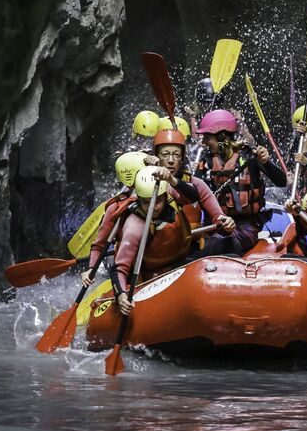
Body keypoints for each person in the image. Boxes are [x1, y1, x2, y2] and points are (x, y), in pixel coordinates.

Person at [194, 109, 287, 254]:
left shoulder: (250, 156)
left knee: (223, 243)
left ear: (221, 137)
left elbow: (282, 181)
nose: (204, 142)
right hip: (217, 224)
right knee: (215, 241)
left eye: (207, 138)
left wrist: (267, 162)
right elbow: (194, 194)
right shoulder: (206, 161)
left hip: (246, 224)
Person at [112, 166, 194, 315]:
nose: (153, 208)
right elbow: (119, 269)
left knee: (226, 245)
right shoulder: (135, 226)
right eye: (146, 202)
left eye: (157, 201)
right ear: (140, 200)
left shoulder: (171, 198)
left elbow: (194, 196)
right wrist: (121, 295)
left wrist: (171, 179)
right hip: (152, 278)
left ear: (165, 197)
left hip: (178, 265)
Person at [151, 128, 235, 238]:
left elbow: (218, 216)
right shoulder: (146, 181)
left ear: (181, 158)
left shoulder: (196, 184)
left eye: (176, 155)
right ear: (156, 156)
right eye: (165, 154)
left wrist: (226, 222)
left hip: (192, 248)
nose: (171, 160)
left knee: (232, 244)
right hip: (159, 247)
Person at [80, 151, 147, 286]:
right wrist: (91, 269)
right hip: (130, 268)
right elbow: (99, 245)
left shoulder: (162, 195)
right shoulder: (116, 207)